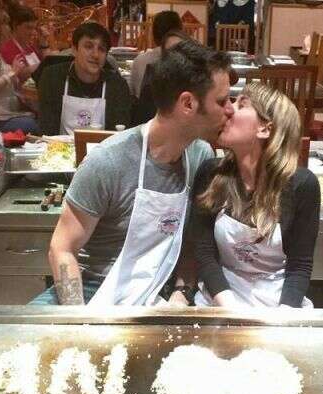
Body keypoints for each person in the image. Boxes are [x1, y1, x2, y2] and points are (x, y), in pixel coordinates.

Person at [39, 41, 234, 306]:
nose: (231, 109)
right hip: (94, 286)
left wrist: (182, 293)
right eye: (222, 101)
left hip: (158, 287)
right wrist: (79, 318)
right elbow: (61, 249)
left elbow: (192, 243)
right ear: (187, 103)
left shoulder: (201, 157)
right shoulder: (107, 162)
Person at [191, 83, 320, 308]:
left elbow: (299, 266)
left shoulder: (302, 185)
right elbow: (203, 252)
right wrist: (230, 308)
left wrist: (283, 316)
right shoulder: (211, 173)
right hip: (221, 295)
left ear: (264, 129)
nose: (228, 110)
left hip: (277, 298)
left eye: (241, 104)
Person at [37, 22, 132, 135]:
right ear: (74, 50)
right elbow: (47, 130)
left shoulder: (116, 85)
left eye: (101, 49)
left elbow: (119, 132)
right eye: (88, 46)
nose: (96, 55)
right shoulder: (52, 77)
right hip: (59, 150)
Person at [133, 29, 190, 126]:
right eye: (169, 53)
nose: (174, 58)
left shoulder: (199, 90)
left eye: (179, 52)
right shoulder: (150, 90)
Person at [128, 10, 182, 99]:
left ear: (154, 35)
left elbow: (133, 95)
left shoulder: (140, 61)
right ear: (180, 34)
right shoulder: (190, 62)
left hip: (144, 111)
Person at [0, 5, 43, 75]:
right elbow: (19, 75)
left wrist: (44, 42)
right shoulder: (7, 49)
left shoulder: (29, 46)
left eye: (34, 28)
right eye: (29, 28)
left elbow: (46, 65)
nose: (33, 32)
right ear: (15, 26)